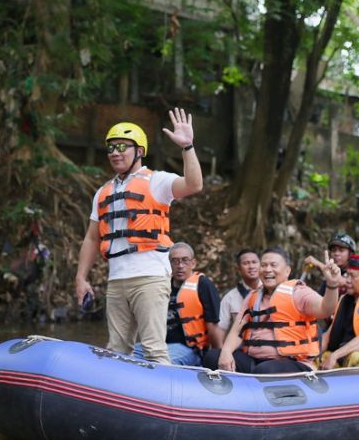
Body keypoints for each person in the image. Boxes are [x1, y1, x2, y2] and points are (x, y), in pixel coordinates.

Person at [75, 109, 203, 364]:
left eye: (122, 146)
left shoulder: (157, 181)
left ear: (139, 151)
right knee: (116, 350)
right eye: (111, 148)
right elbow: (91, 238)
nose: (115, 152)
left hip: (150, 278)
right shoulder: (103, 192)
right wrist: (80, 277)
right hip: (117, 279)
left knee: (154, 349)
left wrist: (187, 146)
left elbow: (194, 184)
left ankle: (166, 402)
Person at [203, 247, 343, 374]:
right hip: (255, 361)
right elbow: (237, 331)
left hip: (293, 363)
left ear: (287, 271)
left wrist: (332, 285)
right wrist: (226, 351)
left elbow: (325, 309)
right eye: (263, 265)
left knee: (264, 370)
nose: (268, 269)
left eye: (273, 265)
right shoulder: (252, 296)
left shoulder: (299, 292)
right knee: (213, 357)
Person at [134, 242, 222, 365]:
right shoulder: (162, 285)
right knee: (126, 353)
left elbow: (213, 325)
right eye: (175, 261)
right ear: (168, 264)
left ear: (193, 263)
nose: (180, 266)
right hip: (158, 346)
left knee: (160, 362)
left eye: (185, 261)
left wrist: (218, 356)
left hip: (190, 349)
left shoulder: (203, 284)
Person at [217, 248, 261, 334]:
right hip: (241, 345)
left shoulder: (272, 292)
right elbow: (221, 329)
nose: (251, 266)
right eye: (246, 263)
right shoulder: (230, 298)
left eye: (254, 262)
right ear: (239, 269)